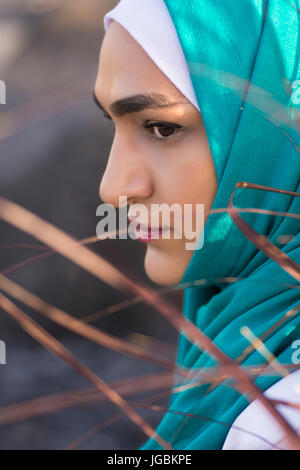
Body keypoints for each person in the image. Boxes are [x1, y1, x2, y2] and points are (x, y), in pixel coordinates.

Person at [94, 0, 300, 450]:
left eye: (162, 128)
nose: (113, 188)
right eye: (111, 121)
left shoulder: (279, 420)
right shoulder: (238, 325)